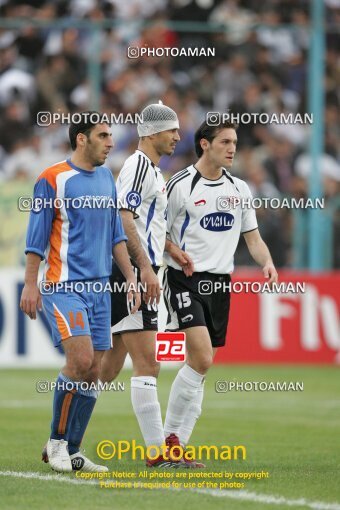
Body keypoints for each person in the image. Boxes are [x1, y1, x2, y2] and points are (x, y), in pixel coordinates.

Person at [20, 112, 140, 473]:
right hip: (65, 286)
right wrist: (29, 283)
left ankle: (72, 449)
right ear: (81, 139)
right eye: (103, 135)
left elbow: (116, 236)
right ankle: (56, 442)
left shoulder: (106, 177)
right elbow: (36, 235)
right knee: (80, 361)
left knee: (95, 370)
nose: (110, 142)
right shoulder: (52, 179)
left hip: (101, 289)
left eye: (111, 136)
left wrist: (131, 277)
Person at [163, 119, 278, 462]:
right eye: (226, 141)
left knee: (200, 367)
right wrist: (174, 251)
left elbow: (253, 239)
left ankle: (177, 446)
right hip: (185, 278)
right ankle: (169, 440)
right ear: (204, 144)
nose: (232, 148)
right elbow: (157, 233)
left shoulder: (240, 189)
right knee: (202, 358)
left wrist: (267, 263)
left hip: (220, 285)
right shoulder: (180, 185)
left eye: (235, 142)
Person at [99, 102, 190, 468]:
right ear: (152, 133)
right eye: (172, 131)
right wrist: (143, 270)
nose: (178, 137)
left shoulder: (152, 171)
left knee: (104, 370)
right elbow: (124, 217)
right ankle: (159, 453)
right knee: (149, 363)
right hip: (135, 274)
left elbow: (145, 223)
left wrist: (171, 250)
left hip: (143, 270)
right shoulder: (138, 166)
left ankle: (62, 437)